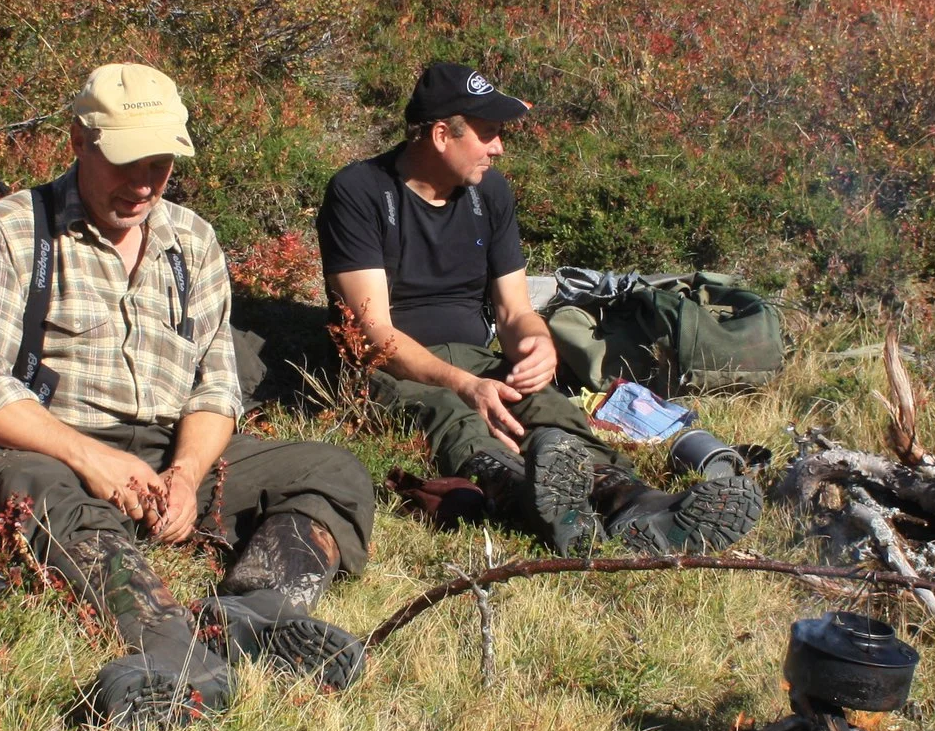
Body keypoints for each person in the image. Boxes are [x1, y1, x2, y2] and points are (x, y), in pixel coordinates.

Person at [0, 62, 377, 730]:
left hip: (170, 449)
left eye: (160, 164)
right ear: (79, 140)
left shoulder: (192, 240)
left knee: (333, 470)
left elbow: (216, 383)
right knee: (38, 490)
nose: (144, 183)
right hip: (51, 447)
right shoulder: (11, 232)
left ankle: (257, 609)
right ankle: (168, 651)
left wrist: (187, 474)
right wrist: (92, 459)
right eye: (126, 162)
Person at [316, 60, 761, 554]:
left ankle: (633, 503)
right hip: (389, 370)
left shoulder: (490, 194)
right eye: (487, 134)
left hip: (476, 357)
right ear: (442, 135)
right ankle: (526, 498)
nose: (498, 148)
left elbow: (513, 311)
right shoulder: (360, 192)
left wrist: (537, 346)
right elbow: (374, 333)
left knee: (548, 409)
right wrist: (465, 385)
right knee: (453, 416)